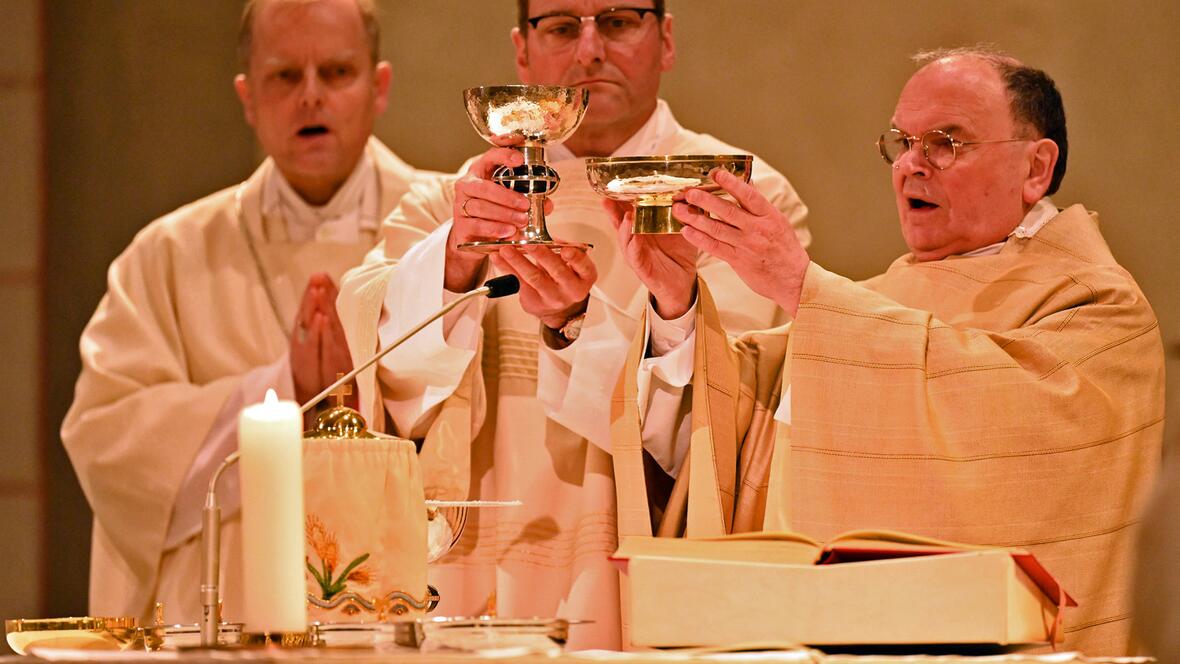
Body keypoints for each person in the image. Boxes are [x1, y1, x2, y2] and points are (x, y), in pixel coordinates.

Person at [615, 48, 1163, 654]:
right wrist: (675, 304)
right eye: (902, 142)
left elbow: (1006, 435)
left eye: (946, 143)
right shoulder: (867, 305)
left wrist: (804, 289)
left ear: (1036, 168)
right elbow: (744, 434)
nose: (910, 166)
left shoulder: (1095, 305)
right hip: (803, 635)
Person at [336, 0, 810, 649]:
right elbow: (379, 367)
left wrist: (581, 324)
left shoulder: (730, 199)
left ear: (665, 39)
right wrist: (450, 263)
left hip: (637, 574)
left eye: (617, 22)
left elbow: (734, 424)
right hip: (471, 570)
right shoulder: (455, 203)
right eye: (562, 26)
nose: (590, 50)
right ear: (522, 52)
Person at [61, 0, 442, 625]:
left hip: (404, 619)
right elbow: (107, 443)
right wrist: (279, 392)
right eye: (285, 76)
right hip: (222, 622)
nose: (311, 97)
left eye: (337, 73)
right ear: (247, 96)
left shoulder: (447, 231)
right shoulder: (166, 255)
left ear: (379, 88)